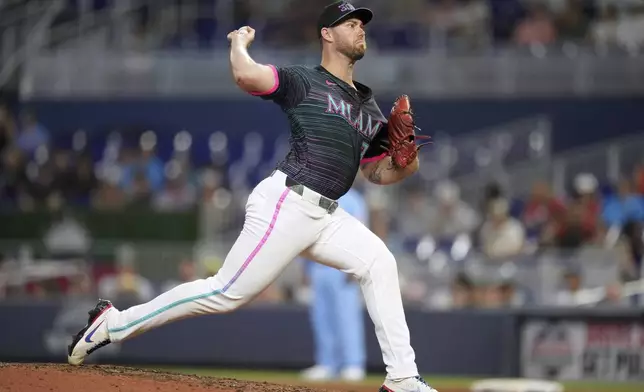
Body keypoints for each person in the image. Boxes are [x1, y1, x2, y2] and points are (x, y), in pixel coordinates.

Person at [68, 2, 437, 391]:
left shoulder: (367, 104)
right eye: (350, 23)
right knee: (225, 293)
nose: (360, 28)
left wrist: (408, 155)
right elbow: (247, 77)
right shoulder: (304, 80)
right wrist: (238, 43)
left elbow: (378, 173)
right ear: (327, 34)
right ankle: (114, 324)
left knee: (379, 262)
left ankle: (402, 378)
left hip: (329, 215)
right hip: (289, 201)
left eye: (362, 23)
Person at [300, 185, 368, 382]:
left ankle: (353, 364)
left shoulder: (354, 200)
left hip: (342, 267)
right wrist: (305, 267)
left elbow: (360, 234)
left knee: (346, 317)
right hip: (317, 266)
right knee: (321, 318)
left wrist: (355, 265)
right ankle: (326, 364)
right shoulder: (314, 197)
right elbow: (305, 233)